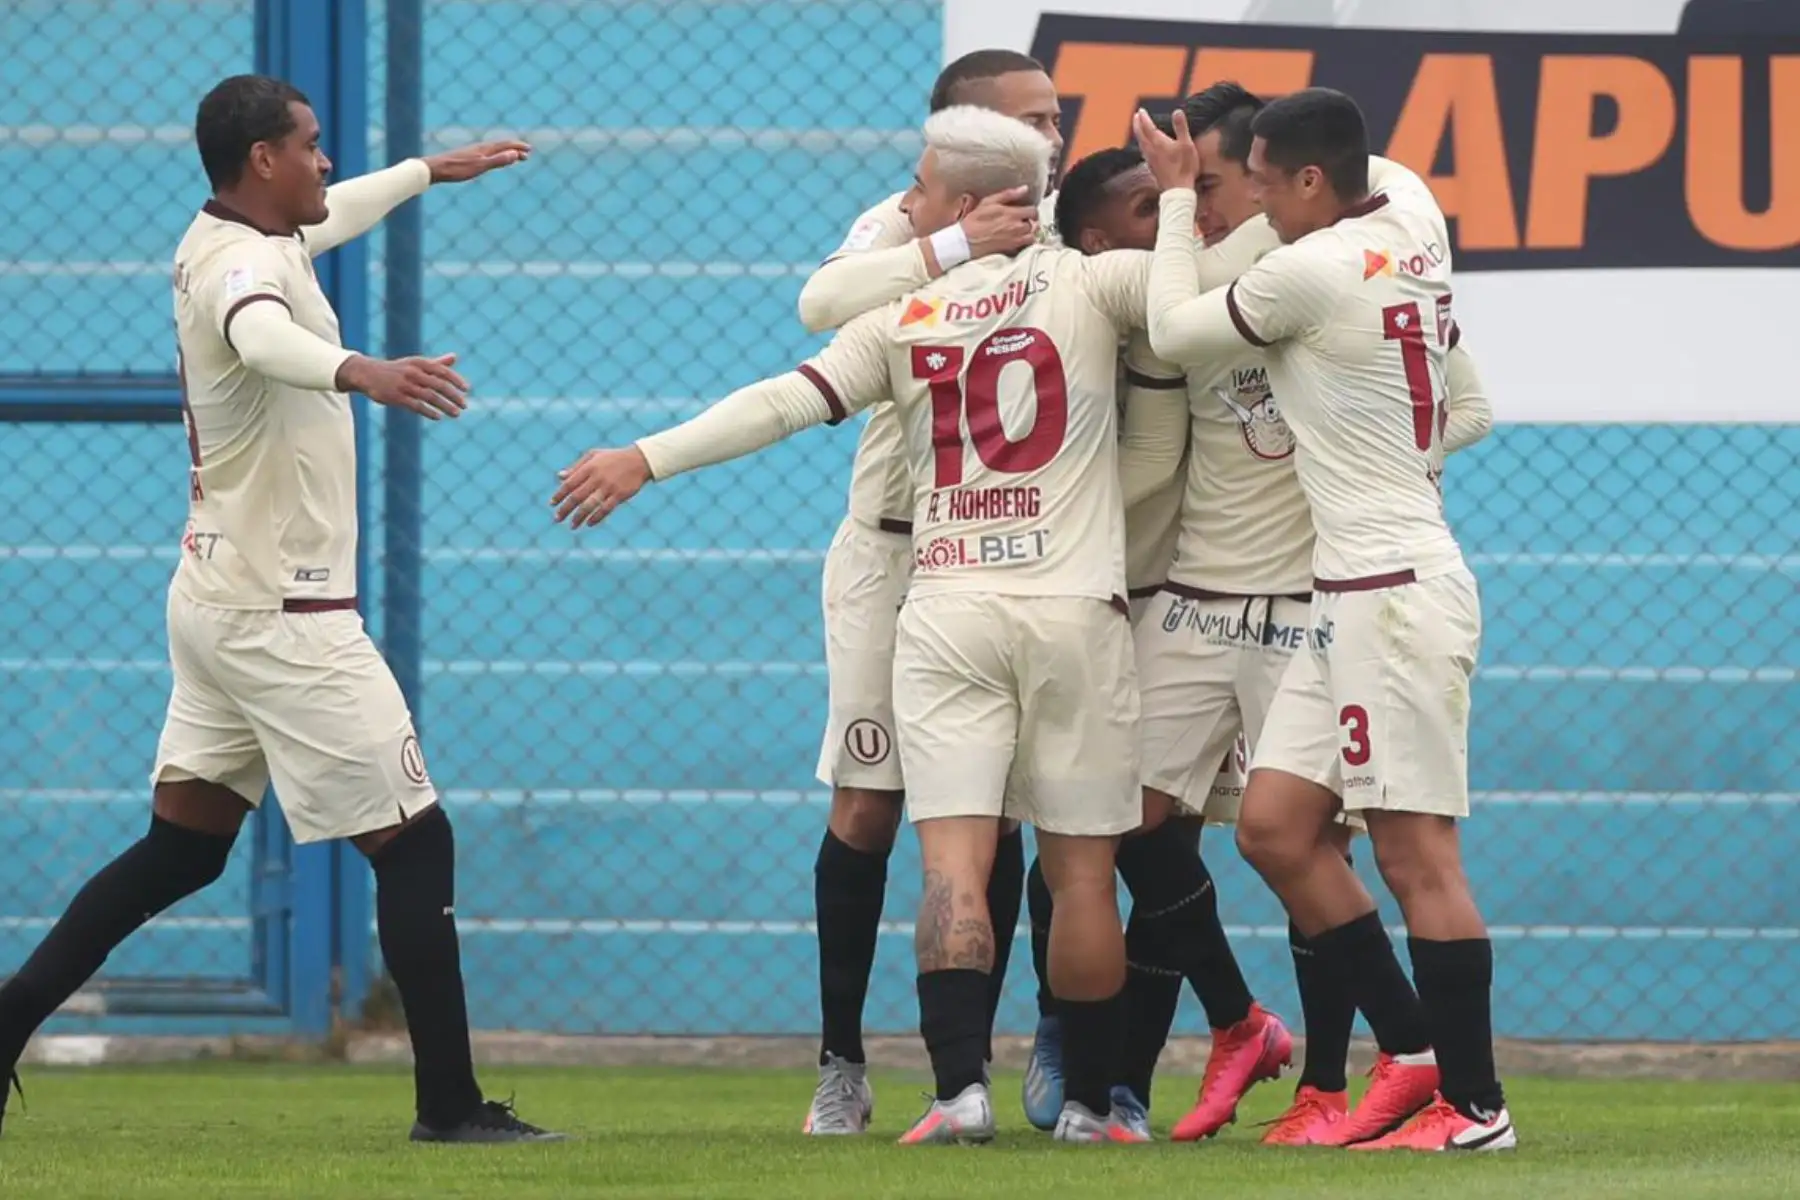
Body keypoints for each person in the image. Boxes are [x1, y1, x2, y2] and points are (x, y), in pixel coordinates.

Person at [552, 105, 1191, 1146]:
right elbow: (1187, 291)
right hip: (1075, 605)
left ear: (975, 202)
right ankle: (1089, 1109)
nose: (907, 200)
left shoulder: (907, 315)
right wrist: (1175, 194)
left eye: (924, 185)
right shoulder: (1092, 281)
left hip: (944, 605)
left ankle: (958, 1096)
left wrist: (645, 457)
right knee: (1080, 871)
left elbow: (780, 402)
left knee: (949, 864)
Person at [0, 74, 560, 1144]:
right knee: (415, 840)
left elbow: (331, 220)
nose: (326, 161)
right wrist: (363, 370)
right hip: (285, 614)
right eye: (311, 145)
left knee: (183, 850)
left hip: (216, 595)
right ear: (262, 159)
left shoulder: (233, 231)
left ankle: (5, 1019)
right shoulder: (246, 267)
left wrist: (431, 170)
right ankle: (449, 1107)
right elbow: (262, 336)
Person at [1135, 88, 1517, 1152]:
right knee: (1275, 829)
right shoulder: (1407, 211)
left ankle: (1478, 1111)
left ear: (1311, 183)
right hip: (1341, 594)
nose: (1248, 199)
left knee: (1415, 855)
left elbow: (1172, 329)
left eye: (1261, 179)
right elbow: (1375, 162)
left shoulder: (1307, 269)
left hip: (1393, 591)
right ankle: (1412, 1049)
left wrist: (1174, 202)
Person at [789, 48, 1053, 1137]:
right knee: (869, 804)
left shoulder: (1066, 223)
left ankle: (995, 1063)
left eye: (1056, 116)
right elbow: (821, 302)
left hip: (1021, 556)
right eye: (1034, 117)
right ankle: (841, 1062)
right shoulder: (907, 220)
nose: (1056, 133)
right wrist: (951, 243)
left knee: (1005, 811)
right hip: (893, 555)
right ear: (965, 138)